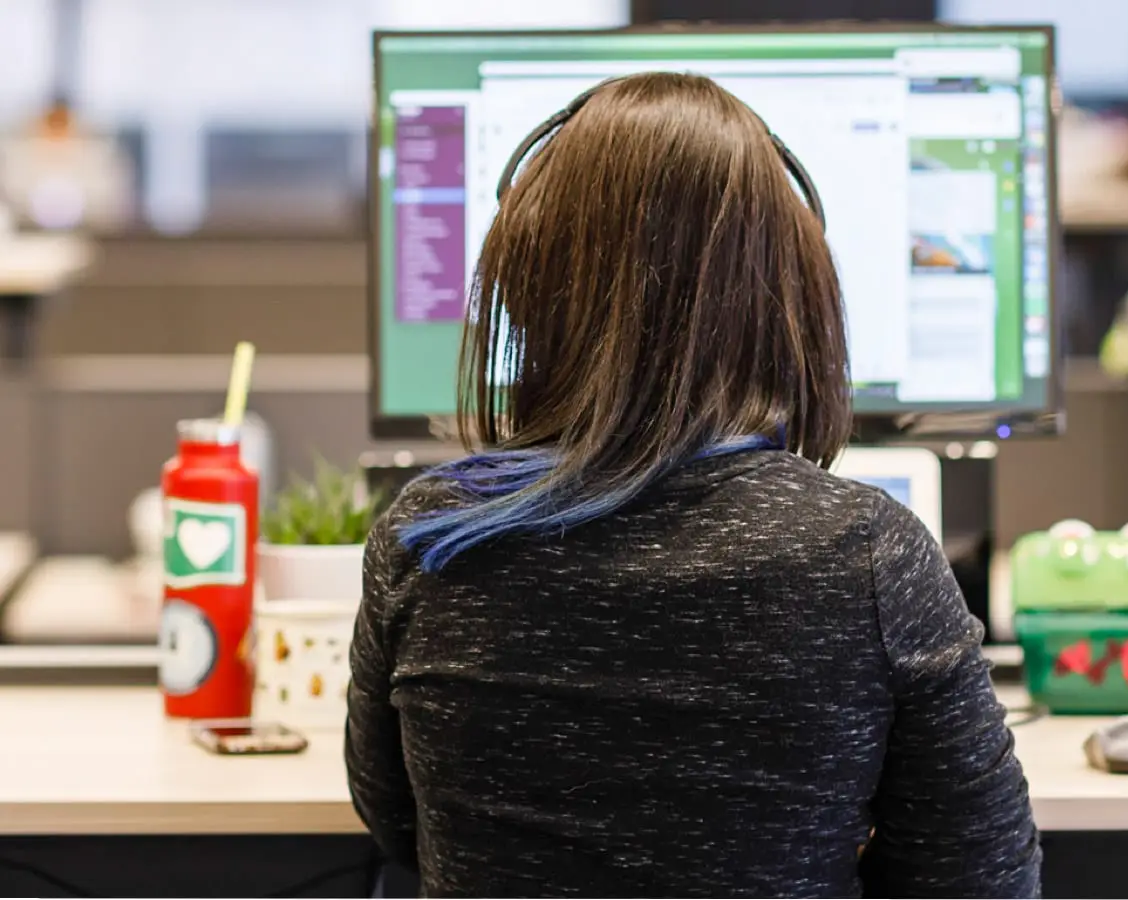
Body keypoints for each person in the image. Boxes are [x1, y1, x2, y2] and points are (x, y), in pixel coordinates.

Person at [345, 72, 1041, 898]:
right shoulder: (867, 553)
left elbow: (396, 821)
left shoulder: (429, 539)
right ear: (793, 297)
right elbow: (980, 880)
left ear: (524, 290)